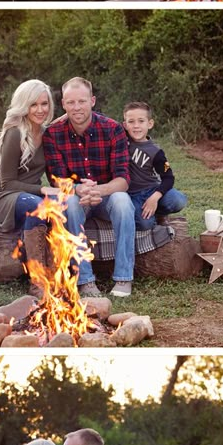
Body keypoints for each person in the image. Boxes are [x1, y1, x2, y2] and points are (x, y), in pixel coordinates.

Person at [42, 77, 135, 299]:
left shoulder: (113, 129)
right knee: (70, 203)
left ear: (92, 101)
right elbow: (57, 180)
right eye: (71, 102)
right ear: (63, 104)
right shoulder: (53, 134)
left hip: (106, 196)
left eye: (82, 101)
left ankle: (123, 278)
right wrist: (79, 190)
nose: (77, 107)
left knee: (123, 201)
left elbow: (122, 180)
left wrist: (98, 191)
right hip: (76, 195)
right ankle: (85, 280)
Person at [0, 78, 59, 291]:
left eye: (44, 104)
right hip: (5, 195)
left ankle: (57, 274)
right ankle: (37, 281)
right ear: (23, 106)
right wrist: (44, 189)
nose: (40, 109)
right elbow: (7, 182)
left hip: (30, 196)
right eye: (33, 104)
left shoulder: (46, 135)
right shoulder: (15, 133)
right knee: (39, 206)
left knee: (57, 208)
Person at [123, 99, 188, 229]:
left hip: (152, 190)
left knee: (178, 200)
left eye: (141, 121)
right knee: (144, 224)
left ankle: (160, 213)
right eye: (131, 122)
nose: (136, 126)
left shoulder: (156, 152)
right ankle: (149, 217)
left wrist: (155, 197)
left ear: (150, 124)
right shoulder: (121, 141)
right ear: (124, 125)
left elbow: (168, 177)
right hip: (132, 195)